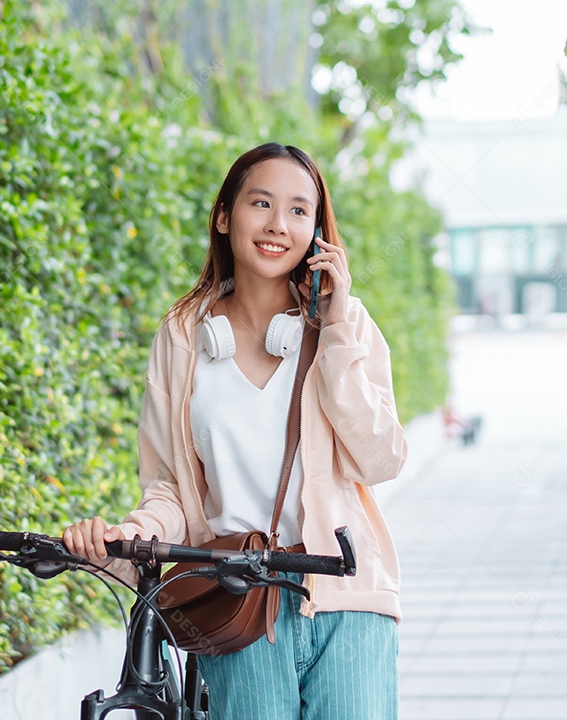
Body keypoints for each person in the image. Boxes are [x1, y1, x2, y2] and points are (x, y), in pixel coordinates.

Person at [63, 142, 407, 719]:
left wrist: (338, 328)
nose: (279, 225)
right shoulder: (182, 337)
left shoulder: (346, 325)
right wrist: (124, 536)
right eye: (261, 203)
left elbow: (381, 459)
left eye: (300, 210)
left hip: (348, 597)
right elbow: (172, 486)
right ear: (225, 216)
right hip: (236, 601)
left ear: (319, 232)